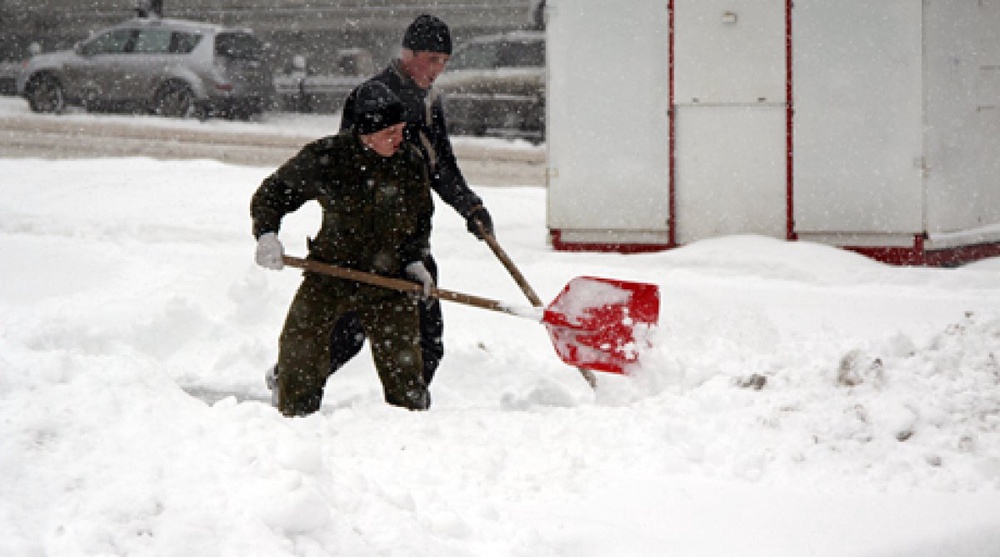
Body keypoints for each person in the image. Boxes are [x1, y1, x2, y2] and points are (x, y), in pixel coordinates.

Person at [275, 14, 495, 395]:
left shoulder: (427, 98)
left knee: (422, 335)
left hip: (408, 233)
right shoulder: (375, 95)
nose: (438, 70)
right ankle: (293, 380)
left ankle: (411, 405)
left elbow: (439, 163)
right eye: (431, 59)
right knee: (355, 331)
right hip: (370, 242)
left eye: (444, 61)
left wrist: (469, 207)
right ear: (407, 53)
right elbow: (351, 165)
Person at [251, 81, 435, 416]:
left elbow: (421, 219)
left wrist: (414, 259)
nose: (399, 138)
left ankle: (412, 436)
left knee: (406, 374)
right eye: (389, 132)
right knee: (298, 353)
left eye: (401, 129)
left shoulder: (409, 162)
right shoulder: (328, 158)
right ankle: (295, 425)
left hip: (388, 282)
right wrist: (266, 234)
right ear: (365, 133)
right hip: (330, 276)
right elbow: (272, 194)